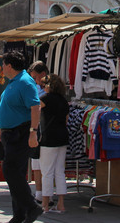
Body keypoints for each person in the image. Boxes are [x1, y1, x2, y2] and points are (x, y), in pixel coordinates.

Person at [0, 51, 42, 223]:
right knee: (17, 174)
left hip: (20, 133)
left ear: (9, 65)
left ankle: (32, 207)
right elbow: (12, 108)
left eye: (3, 64)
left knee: (10, 170)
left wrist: (33, 132)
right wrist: (2, 127)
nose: (1, 68)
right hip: (10, 132)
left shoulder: (24, 82)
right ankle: (20, 214)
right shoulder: (14, 82)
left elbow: (35, 107)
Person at [38, 74, 69, 214]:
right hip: (62, 137)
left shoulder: (45, 99)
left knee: (47, 172)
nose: (43, 87)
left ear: (49, 85)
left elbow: (34, 111)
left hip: (49, 138)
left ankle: (45, 204)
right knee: (59, 171)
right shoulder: (64, 101)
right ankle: (61, 204)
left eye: (44, 85)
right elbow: (66, 120)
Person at [27, 62, 48, 204]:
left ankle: (43, 194)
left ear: (43, 74)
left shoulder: (48, 92)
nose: (34, 80)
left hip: (43, 129)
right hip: (36, 127)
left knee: (43, 164)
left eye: (35, 77)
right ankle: (39, 193)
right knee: (36, 163)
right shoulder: (36, 88)